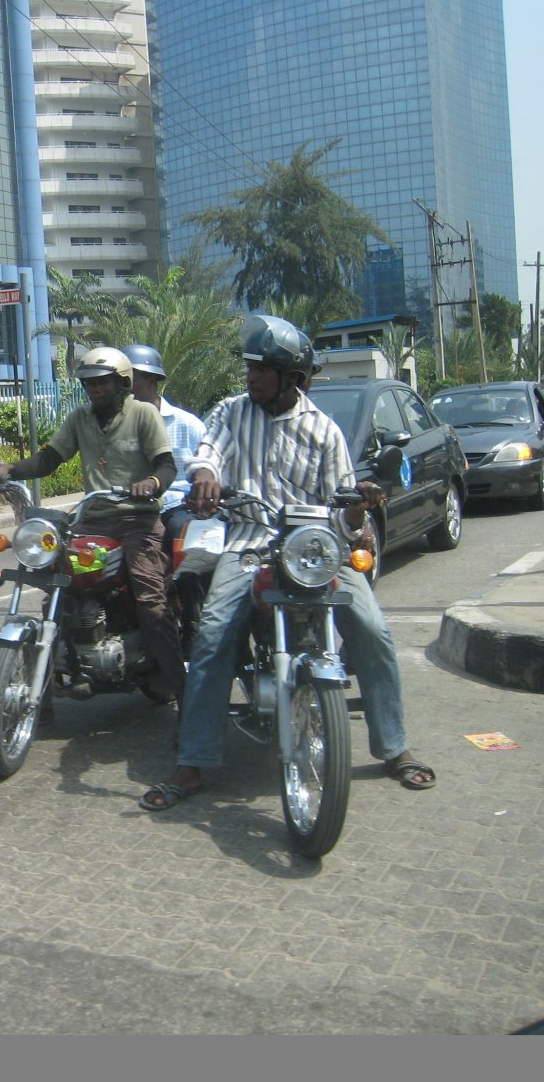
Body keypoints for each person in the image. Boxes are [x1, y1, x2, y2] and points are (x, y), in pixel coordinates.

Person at [138, 315, 436, 812]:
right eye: (251, 367)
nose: (251, 377)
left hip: (315, 549)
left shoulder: (324, 430)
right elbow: (208, 452)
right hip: (248, 543)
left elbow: (343, 515)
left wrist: (357, 506)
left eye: (263, 369)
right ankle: (193, 761)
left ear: (291, 377)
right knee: (212, 636)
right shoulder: (232, 412)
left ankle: (393, 745)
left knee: (373, 630)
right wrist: (208, 474)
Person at [0, 345, 186, 706]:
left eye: (102, 382)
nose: (95, 389)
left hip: (137, 519)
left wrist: (151, 484)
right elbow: (50, 459)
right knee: (59, 586)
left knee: (151, 601)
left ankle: (184, 696)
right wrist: (9, 470)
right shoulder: (80, 418)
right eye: (89, 383)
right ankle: (57, 680)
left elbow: (166, 465)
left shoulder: (143, 415)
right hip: (92, 520)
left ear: (122, 383)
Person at [123, 344, 209, 651]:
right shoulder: (117, 425)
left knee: (181, 537)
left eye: (132, 378)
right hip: (128, 508)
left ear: (151, 381)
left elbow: (204, 469)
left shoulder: (188, 425)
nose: (126, 387)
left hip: (174, 505)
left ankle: (192, 618)